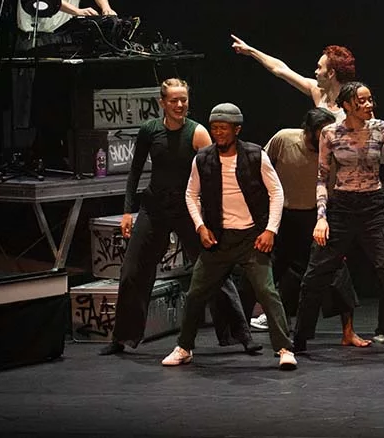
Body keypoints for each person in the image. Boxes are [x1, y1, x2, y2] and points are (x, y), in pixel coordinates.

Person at [100, 79, 252, 356]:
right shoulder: (150, 130)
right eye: (173, 100)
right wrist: (127, 211)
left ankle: (240, 334)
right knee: (132, 271)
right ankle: (122, 337)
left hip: (187, 210)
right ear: (162, 103)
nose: (180, 105)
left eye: (184, 100)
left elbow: (213, 178)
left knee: (213, 268)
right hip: (154, 207)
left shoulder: (198, 133)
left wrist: (210, 220)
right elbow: (135, 172)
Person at [292, 82, 384, 360]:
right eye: (362, 101)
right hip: (342, 206)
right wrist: (321, 218)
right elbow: (321, 179)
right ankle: (300, 338)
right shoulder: (330, 133)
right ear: (347, 105)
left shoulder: (381, 129)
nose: (369, 105)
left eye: (370, 100)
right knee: (315, 274)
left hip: (373, 206)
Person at [162, 103, 297, 370]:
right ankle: (184, 347)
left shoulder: (255, 155)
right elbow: (191, 194)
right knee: (196, 294)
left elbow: (276, 192)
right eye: (214, 128)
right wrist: (200, 226)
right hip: (218, 239)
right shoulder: (203, 158)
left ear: (237, 129)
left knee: (267, 292)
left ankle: (284, 348)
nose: (218, 133)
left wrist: (270, 230)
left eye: (223, 128)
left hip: (251, 237)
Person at [249, 108, 369, 348]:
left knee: (337, 272)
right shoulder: (284, 139)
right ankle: (251, 328)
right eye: (322, 132)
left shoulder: (335, 149)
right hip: (284, 217)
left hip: (317, 217)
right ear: (309, 131)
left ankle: (348, 332)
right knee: (264, 270)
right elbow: (260, 167)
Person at [12, 0, 118, 159]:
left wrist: (106, 9)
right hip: (36, 38)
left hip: (62, 38)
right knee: (35, 99)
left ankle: (56, 150)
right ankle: (31, 152)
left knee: (60, 97)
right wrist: (77, 11)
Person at [229, 35, 355, 116]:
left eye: (319, 67)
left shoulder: (355, 103)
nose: (316, 72)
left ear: (331, 73)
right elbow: (280, 69)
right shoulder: (318, 91)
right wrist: (250, 51)